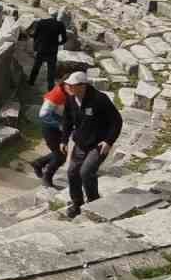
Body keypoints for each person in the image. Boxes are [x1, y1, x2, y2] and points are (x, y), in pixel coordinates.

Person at [52, 71, 122, 218]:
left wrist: (109, 141)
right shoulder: (71, 100)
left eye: (72, 85)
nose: (68, 87)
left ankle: (93, 203)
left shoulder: (99, 99)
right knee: (72, 172)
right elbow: (67, 121)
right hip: (80, 143)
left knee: (86, 172)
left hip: (98, 144)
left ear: (82, 86)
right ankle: (77, 203)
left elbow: (116, 120)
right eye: (67, 85)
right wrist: (64, 140)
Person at [30, 77, 69, 186]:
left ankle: (38, 163)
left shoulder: (71, 93)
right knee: (61, 156)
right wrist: (60, 125)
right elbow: (43, 114)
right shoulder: (56, 94)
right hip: (50, 128)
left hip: (61, 126)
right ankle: (47, 177)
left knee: (60, 152)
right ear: (65, 85)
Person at [28, 9, 68, 88]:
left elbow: (35, 35)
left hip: (41, 49)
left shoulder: (41, 22)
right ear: (56, 16)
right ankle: (50, 86)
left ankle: (31, 81)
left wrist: (31, 36)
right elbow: (64, 39)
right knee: (51, 71)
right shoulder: (60, 24)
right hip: (52, 51)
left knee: (36, 66)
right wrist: (58, 43)